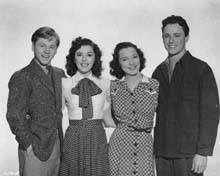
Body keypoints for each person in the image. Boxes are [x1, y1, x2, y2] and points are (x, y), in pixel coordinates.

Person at [152, 15, 220, 176]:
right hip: (162, 154)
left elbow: (210, 114)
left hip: (189, 155)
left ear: (187, 37)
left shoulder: (201, 70)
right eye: (166, 36)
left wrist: (203, 152)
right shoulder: (158, 72)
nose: (171, 41)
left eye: (177, 35)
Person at [6, 27, 65, 176]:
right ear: (33, 47)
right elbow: (14, 115)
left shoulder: (59, 74)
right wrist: (28, 144)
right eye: (42, 45)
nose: (47, 51)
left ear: (56, 50)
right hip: (35, 148)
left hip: (57, 145)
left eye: (51, 47)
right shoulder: (22, 76)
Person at [60, 37, 114, 176]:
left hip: (97, 136)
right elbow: (55, 114)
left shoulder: (106, 83)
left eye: (89, 55)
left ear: (95, 58)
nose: (84, 59)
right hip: (73, 137)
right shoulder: (65, 83)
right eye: (79, 55)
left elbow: (107, 118)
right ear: (73, 58)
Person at [108, 42, 159, 176]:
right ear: (118, 63)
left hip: (144, 144)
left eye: (134, 57)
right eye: (125, 59)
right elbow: (107, 118)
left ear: (140, 58)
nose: (131, 62)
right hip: (119, 145)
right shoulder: (113, 87)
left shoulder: (154, 85)